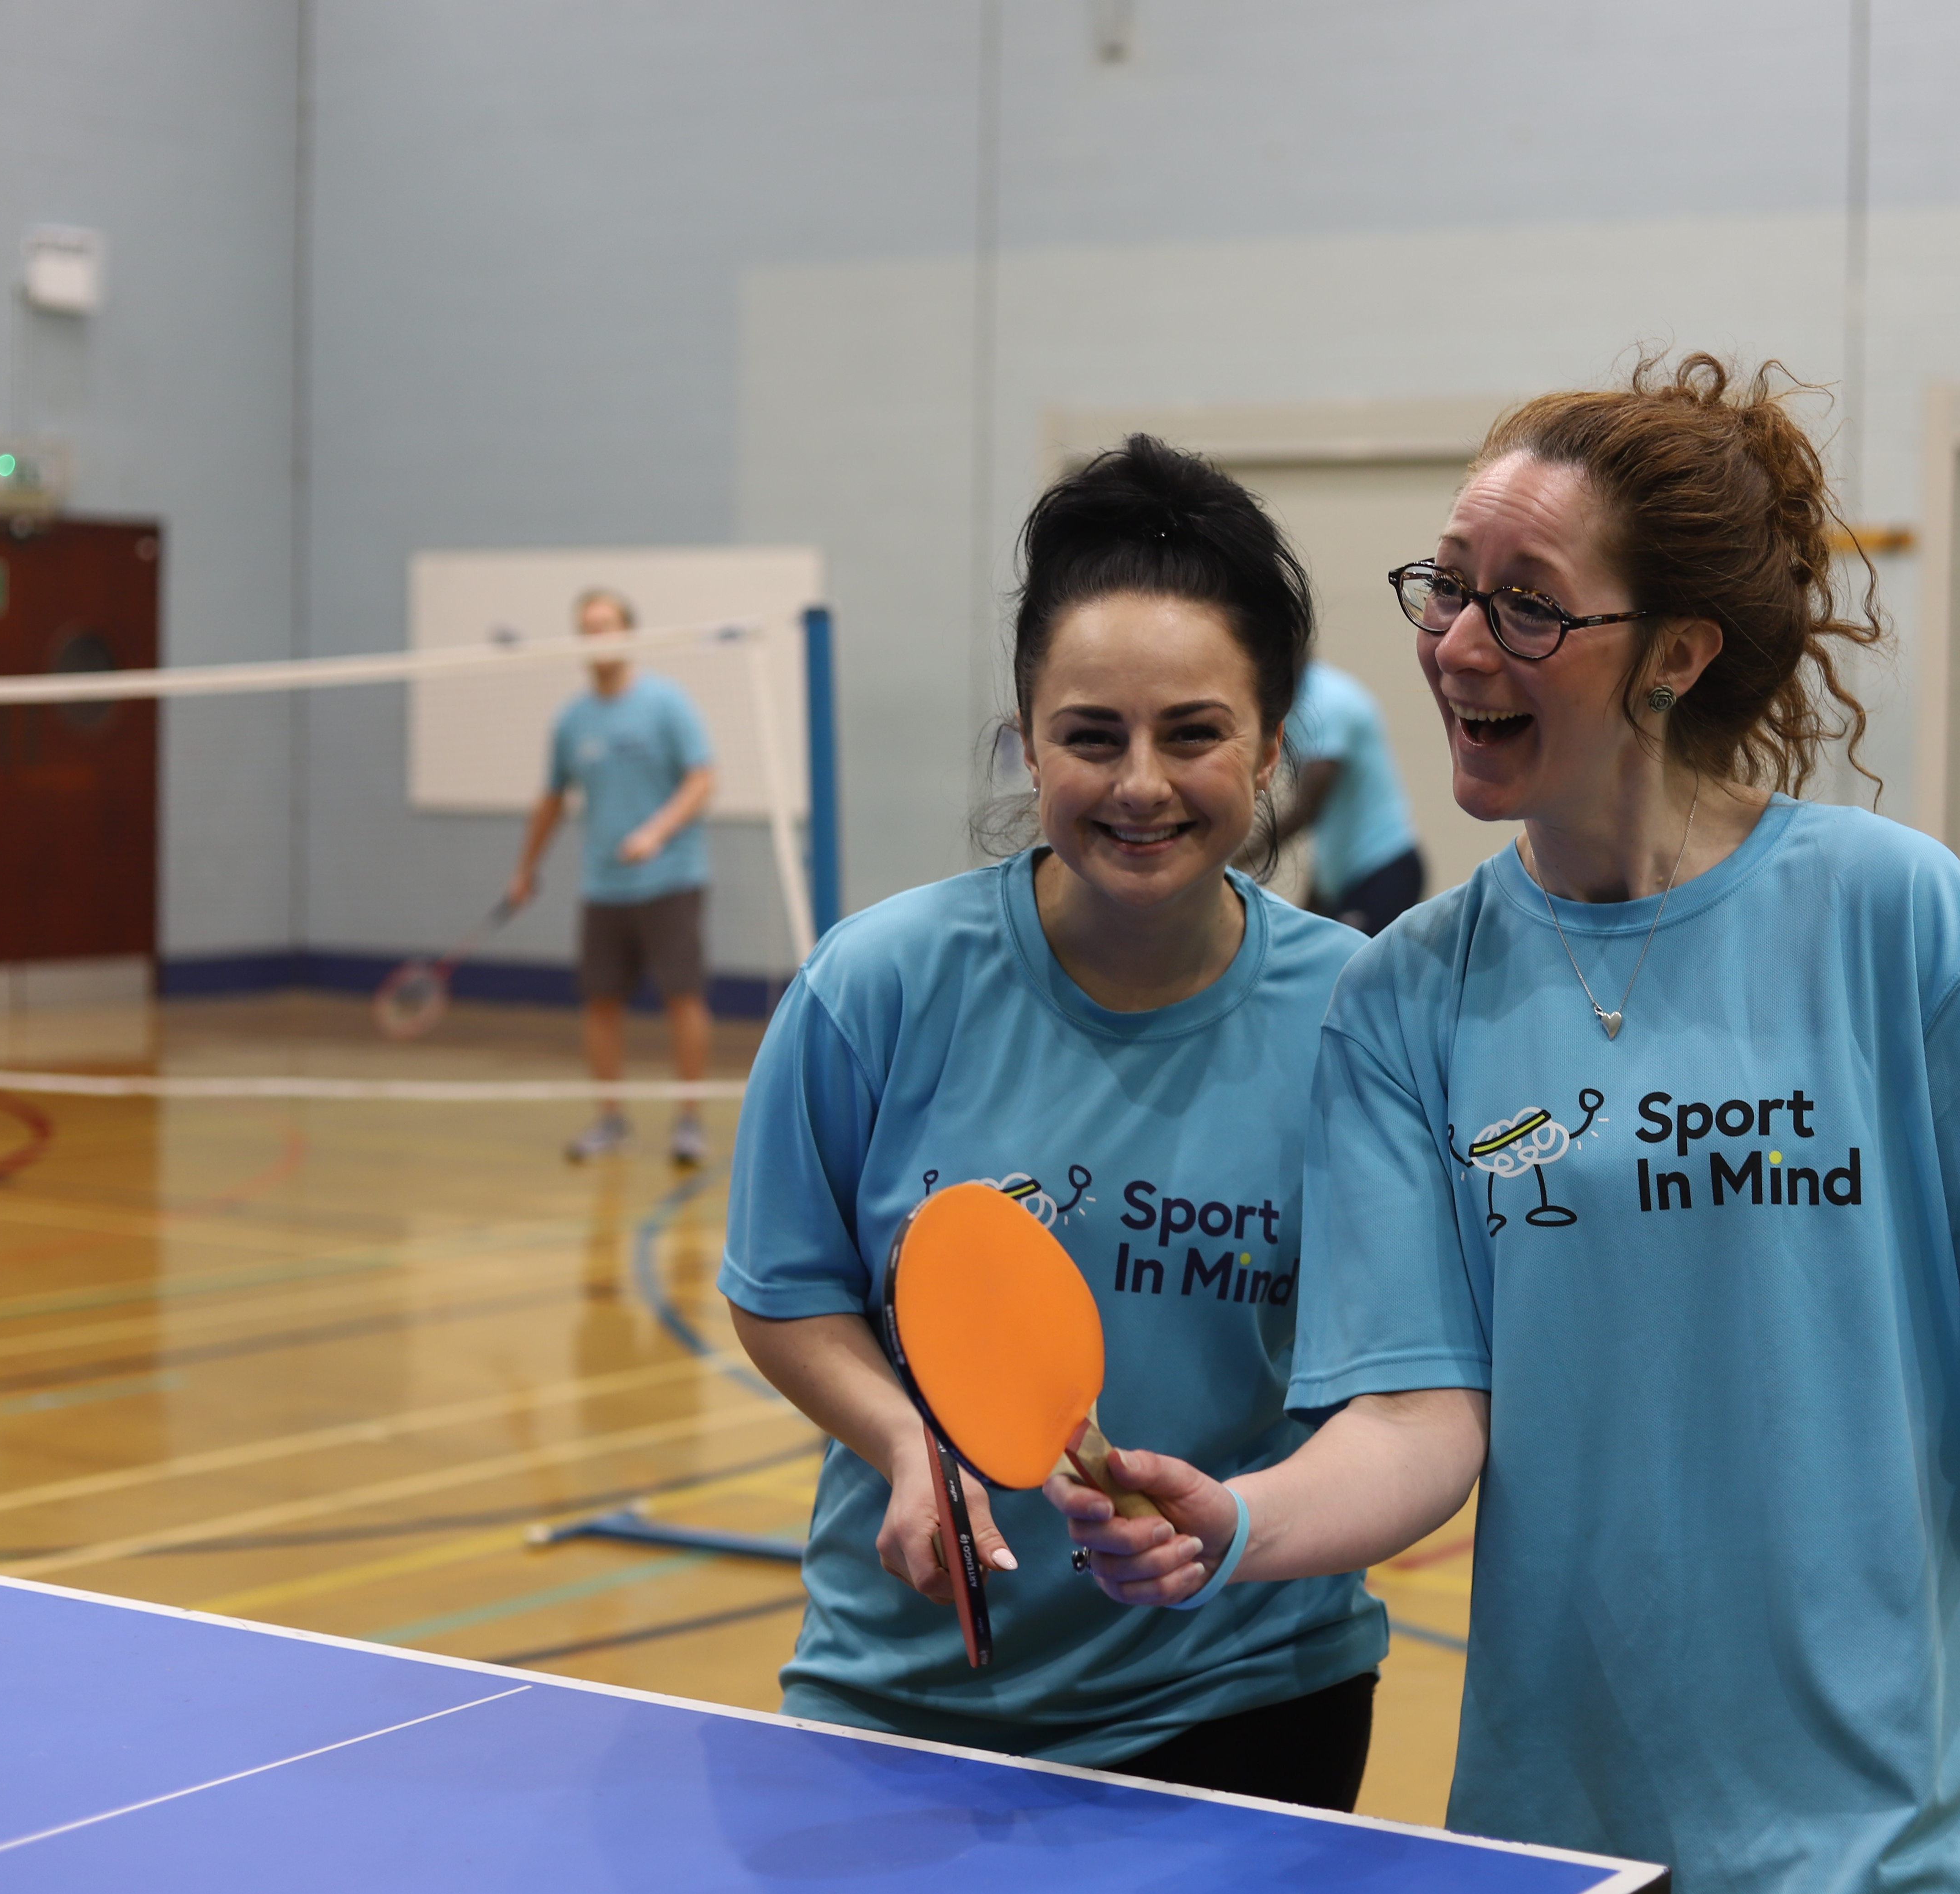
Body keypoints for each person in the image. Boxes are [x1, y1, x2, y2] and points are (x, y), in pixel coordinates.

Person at [1049, 358, 1960, 1893]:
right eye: (1445, 586)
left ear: (1673, 654)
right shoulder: (1406, 998)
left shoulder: (1893, 915)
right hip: (1565, 1812)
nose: (1452, 642)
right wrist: (1233, 1518)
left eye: (1524, 602)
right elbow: (1416, 1416)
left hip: (1906, 1812)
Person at [714, 436, 1387, 1808]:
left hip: (1245, 1692)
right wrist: (905, 1438)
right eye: (1092, 735)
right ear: (1029, 743)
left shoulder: (1360, 1016)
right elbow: (785, 1293)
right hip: (904, 1688)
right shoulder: (877, 985)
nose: (1140, 781)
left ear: (1269, 745)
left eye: (1194, 731)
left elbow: (1401, 1385)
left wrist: (1244, 1524)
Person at [506, 587, 716, 1166]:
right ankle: (610, 1122)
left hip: (672, 878)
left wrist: (655, 832)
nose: (597, 636)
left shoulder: (666, 704)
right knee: (600, 1004)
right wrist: (525, 869)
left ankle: (689, 1123)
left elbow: (702, 780)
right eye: (587, 627)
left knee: (683, 998)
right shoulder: (571, 721)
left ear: (629, 632)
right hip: (603, 886)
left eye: (607, 624)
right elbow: (551, 798)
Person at [1274, 659, 1423, 935]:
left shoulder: (1328, 701)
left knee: (1360, 974)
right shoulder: (1289, 705)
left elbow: (1309, 806)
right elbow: (1329, 822)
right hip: (1342, 879)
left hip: (1383, 869)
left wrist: (1238, 857)